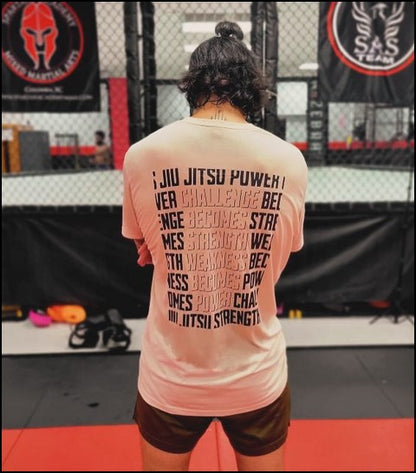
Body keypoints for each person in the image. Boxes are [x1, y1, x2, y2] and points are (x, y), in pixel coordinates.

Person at [122, 21, 308, 471]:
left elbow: (144, 248)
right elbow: (281, 255)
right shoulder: (288, 160)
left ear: (193, 85)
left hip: (172, 376)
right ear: (252, 89)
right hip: (255, 372)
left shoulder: (143, 155)